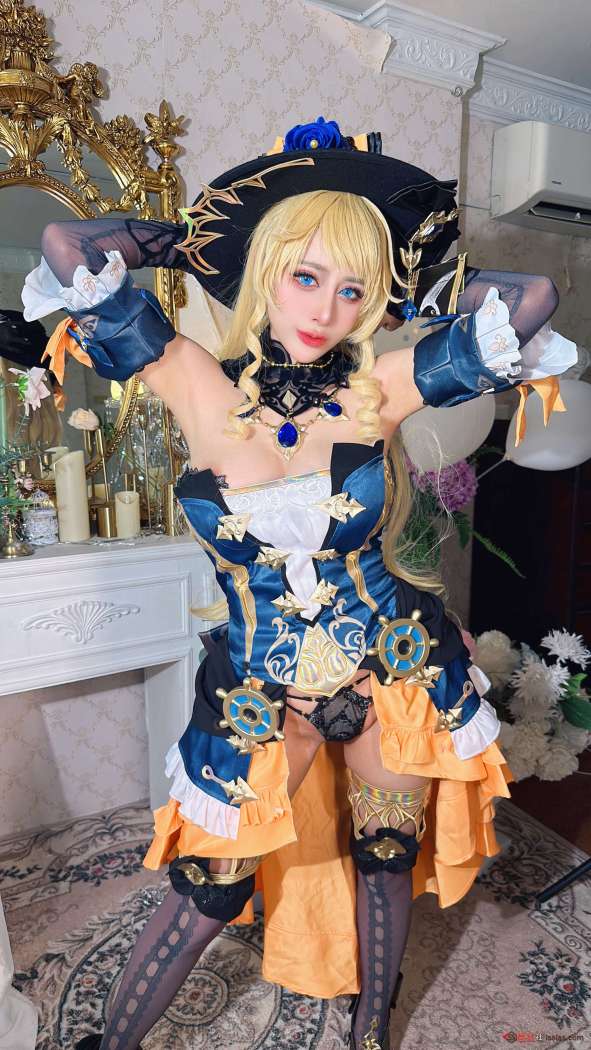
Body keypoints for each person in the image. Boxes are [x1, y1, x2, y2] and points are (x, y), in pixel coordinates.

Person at [22, 118, 577, 1050]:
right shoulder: (192, 379)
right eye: (305, 275)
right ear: (267, 271)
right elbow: (66, 245)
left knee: (384, 863)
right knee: (209, 887)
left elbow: (531, 298)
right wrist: (185, 243)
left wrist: (418, 283)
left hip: (388, 675)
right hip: (257, 693)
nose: (325, 308)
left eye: (353, 287)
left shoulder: (380, 388)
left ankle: (369, 1036)